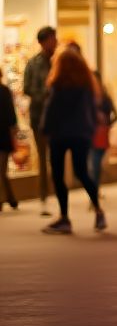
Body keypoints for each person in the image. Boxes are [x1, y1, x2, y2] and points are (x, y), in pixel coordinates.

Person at [40, 48, 104, 233]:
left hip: (59, 134)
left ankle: (64, 218)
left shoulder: (58, 84)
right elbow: (92, 110)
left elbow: (51, 109)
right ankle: (99, 211)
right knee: (82, 172)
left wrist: (44, 129)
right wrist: (91, 129)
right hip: (81, 133)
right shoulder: (86, 85)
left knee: (58, 175)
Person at [22, 25, 57, 214]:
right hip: (39, 116)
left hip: (57, 117)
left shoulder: (59, 61)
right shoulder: (33, 63)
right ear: (43, 42)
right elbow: (27, 88)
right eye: (52, 39)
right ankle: (44, 194)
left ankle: (56, 192)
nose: (55, 42)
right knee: (43, 157)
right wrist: (45, 94)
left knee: (56, 156)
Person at [88, 73, 117, 194]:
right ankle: (94, 191)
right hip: (90, 134)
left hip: (102, 134)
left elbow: (115, 115)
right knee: (94, 164)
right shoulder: (87, 96)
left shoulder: (105, 97)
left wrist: (107, 123)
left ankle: (95, 189)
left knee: (96, 164)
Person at [1, 71, 19, 211]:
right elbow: (11, 116)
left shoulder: (5, 91)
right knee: (2, 170)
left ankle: (9, 198)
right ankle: (11, 198)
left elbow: (11, 116)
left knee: (1, 170)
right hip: (4, 136)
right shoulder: (5, 91)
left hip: (3, 136)